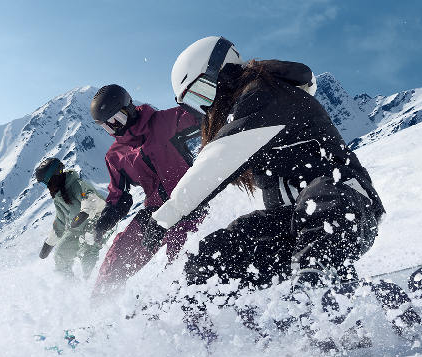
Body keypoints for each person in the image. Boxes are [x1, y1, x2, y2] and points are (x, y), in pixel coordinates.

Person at [142, 36, 385, 295]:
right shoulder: (245, 116)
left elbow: (217, 161)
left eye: (203, 92)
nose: (206, 106)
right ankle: (193, 307)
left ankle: (318, 288)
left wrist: (164, 217)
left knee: (318, 202)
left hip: (348, 204)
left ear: (222, 72)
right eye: (195, 102)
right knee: (221, 250)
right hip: (294, 224)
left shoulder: (267, 95)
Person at [90, 84, 202, 294]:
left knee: (182, 267)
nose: (115, 129)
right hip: (155, 213)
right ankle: (100, 306)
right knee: (116, 258)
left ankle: (183, 304)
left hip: (190, 205)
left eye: (117, 119)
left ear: (129, 107)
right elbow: (119, 196)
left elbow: (205, 117)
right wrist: (105, 220)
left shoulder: (165, 122)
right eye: (108, 127)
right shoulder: (115, 155)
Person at [36, 157, 107, 278]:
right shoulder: (59, 197)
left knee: (88, 247)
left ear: (54, 177)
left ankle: (89, 281)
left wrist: (84, 213)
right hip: (77, 229)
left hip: (99, 222)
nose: (47, 187)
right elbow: (60, 221)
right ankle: (68, 285)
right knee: (60, 254)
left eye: (45, 182)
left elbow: (89, 197)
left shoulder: (77, 185)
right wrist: (48, 244)